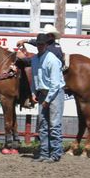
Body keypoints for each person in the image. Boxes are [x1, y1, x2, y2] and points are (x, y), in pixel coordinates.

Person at [30, 33, 65, 163]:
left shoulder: (52, 60)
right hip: (44, 93)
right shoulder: (35, 59)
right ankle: (45, 153)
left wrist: (46, 100)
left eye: (42, 44)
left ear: (45, 45)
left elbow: (55, 84)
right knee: (43, 124)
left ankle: (55, 154)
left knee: (54, 124)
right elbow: (35, 78)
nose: (40, 46)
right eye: (38, 44)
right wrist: (34, 92)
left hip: (54, 94)